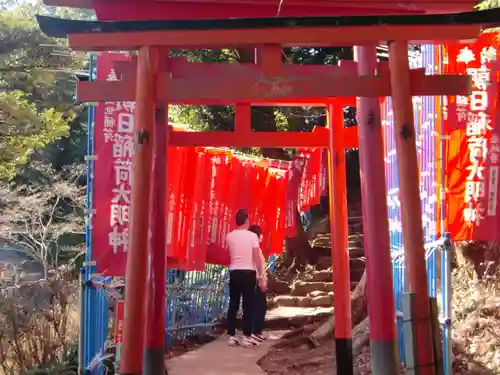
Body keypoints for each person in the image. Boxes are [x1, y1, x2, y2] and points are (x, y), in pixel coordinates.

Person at [226, 209, 267, 347]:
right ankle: (247, 336)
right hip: (248, 272)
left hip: (234, 272)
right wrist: (261, 275)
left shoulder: (229, 236)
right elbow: (256, 256)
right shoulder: (252, 237)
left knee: (233, 304)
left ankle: (231, 335)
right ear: (246, 220)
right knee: (248, 305)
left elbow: (230, 254)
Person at [248, 224, 267, 342]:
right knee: (259, 306)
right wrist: (261, 280)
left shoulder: (254, 248)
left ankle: (256, 331)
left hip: (254, 279)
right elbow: (257, 265)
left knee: (258, 305)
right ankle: (255, 331)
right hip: (256, 279)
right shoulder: (255, 249)